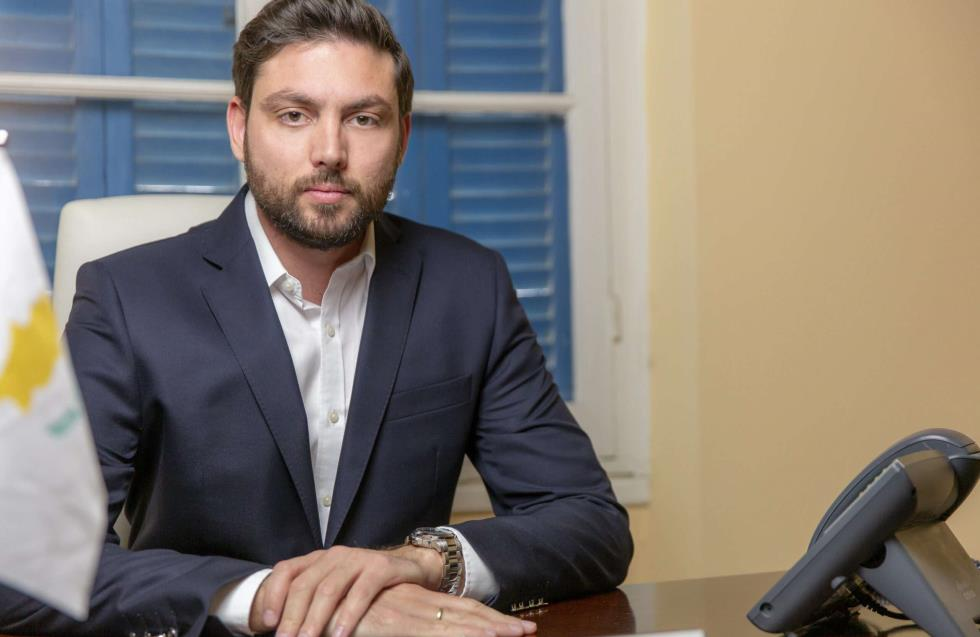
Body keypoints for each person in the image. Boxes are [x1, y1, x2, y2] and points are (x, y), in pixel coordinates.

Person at [0, 1, 632, 635]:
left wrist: (421, 563)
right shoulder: (125, 297)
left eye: (364, 118)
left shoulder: (469, 287)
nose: (330, 151)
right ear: (240, 128)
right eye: (294, 114)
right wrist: (275, 600)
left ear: (403, 137)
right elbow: (26, 566)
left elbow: (591, 522)